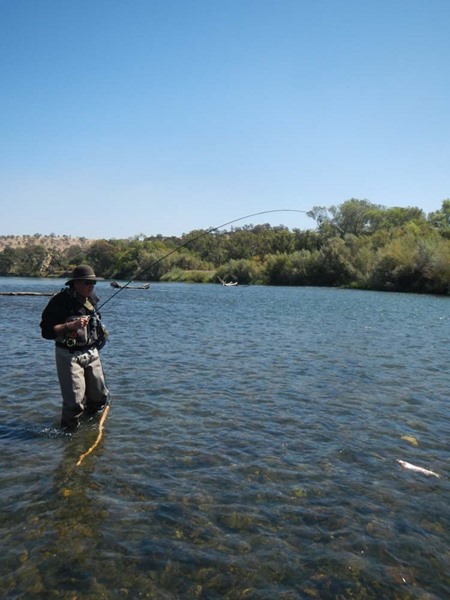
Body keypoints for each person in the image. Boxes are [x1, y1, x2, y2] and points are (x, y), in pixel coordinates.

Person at [40, 264, 110, 430]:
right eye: (87, 282)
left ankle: (92, 429)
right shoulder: (59, 301)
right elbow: (47, 331)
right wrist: (71, 326)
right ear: (75, 283)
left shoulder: (92, 299)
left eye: (93, 283)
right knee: (74, 403)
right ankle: (70, 436)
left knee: (99, 397)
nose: (91, 286)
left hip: (92, 352)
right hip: (69, 356)